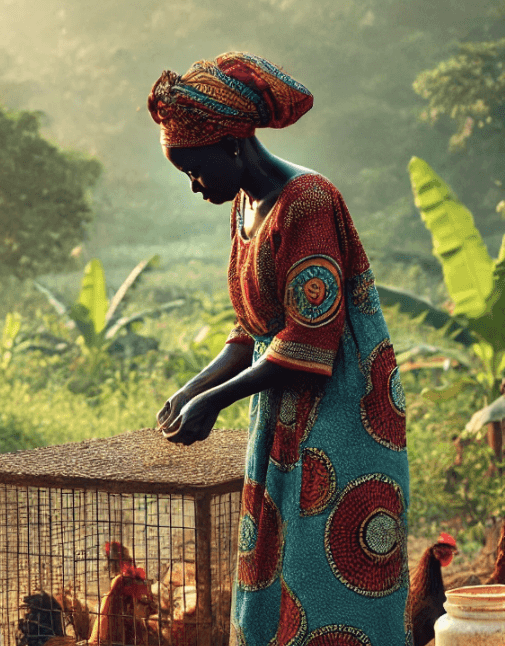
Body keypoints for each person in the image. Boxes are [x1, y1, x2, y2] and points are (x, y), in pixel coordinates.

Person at [148, 52, 411, 646]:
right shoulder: (244, 207)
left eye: (195, 169)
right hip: (283, 417)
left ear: (234, 146)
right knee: (274, 572)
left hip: (341, 422)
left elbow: (308, 341)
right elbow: (251, 332)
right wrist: (193, 388)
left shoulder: (309, 202)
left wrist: (215, 403)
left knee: (325, 582)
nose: (194, 186)